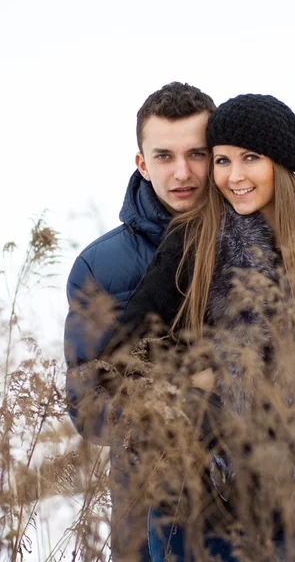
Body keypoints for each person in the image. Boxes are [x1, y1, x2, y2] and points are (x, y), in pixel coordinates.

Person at [104, 94, 295, 561]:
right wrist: (202, 386)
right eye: (222, 160)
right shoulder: (193, 239)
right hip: (195, 511)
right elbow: (123, 363)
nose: (234, 176)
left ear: (280, 163)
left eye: (250, 158)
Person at [64, 81, 216, 560]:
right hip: (149, 511)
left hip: (263, 507)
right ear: (141, 163)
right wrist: (178, 406)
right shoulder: (99, 266)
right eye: (165, 156)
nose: (183, 172)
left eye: (197, 153)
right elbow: (88, 406)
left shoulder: (263, 241)